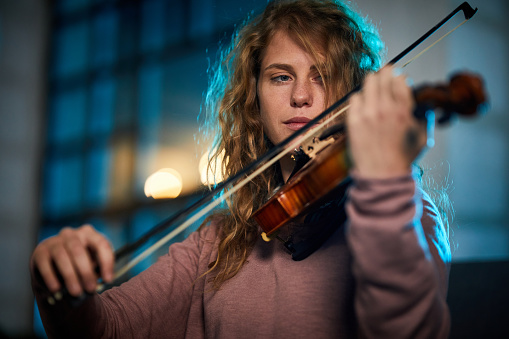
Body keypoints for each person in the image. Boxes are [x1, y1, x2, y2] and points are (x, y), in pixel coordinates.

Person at [31, 0, 451, 338]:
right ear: (255, 100)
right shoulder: (219, 239)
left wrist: (385, 180)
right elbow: (109, 328)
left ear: (355, 92)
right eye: (281, 77)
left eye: (322, 77)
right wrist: (59, 284)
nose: (301, 96)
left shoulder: (406, 212)